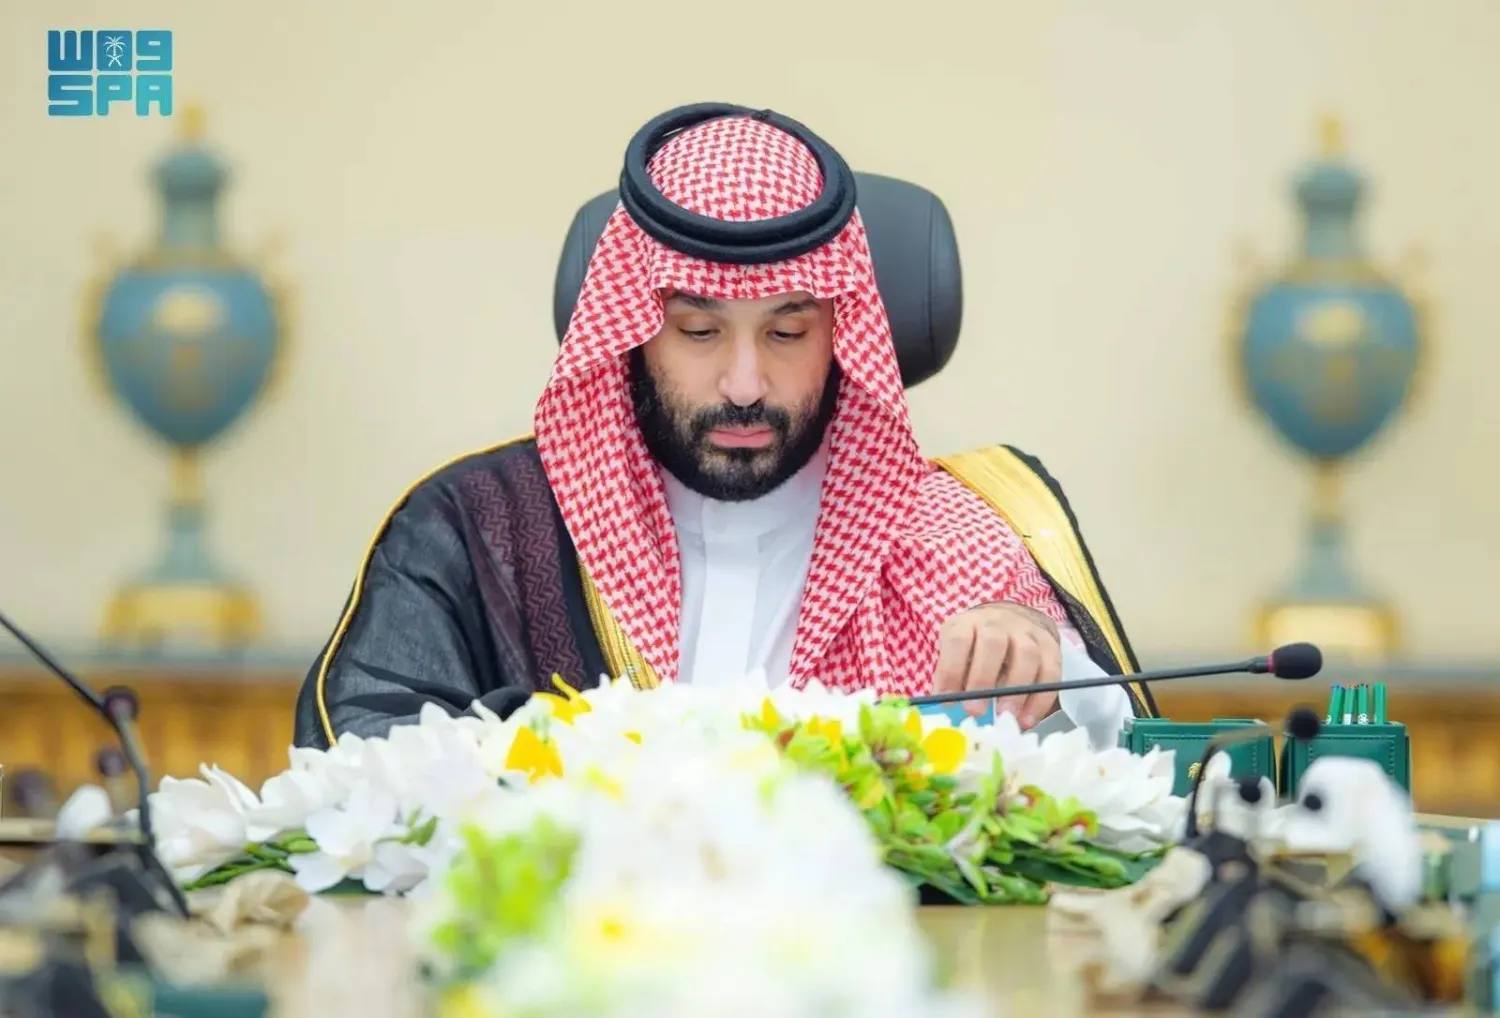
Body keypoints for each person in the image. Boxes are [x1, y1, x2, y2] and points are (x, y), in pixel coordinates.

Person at [293, 103, 1155, 750]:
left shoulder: (961, 534)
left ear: (845, 333)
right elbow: (364, 768)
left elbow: (1113, 781)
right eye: (699, 332)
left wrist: (1043, 659)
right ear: (631, 326)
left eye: (788, 332)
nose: (746, 384)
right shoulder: (478, 528)